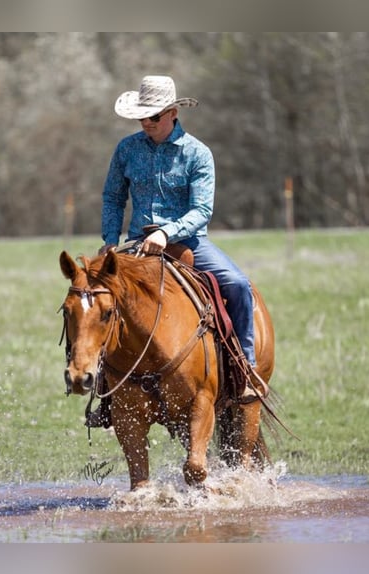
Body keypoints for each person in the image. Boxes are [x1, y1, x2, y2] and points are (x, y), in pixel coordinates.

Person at [87, 75, 263, 428]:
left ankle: (245, 369)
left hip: (190, 242)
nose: (145, 123)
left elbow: (202, 210)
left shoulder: (197, 153)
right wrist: (109, 238)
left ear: (171, 113)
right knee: (97, 299)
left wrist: (168, 233)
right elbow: (112, 197)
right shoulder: (126, 150)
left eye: (152, 117)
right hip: (136, 243)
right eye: (142, 117)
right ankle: (105, 390)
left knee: (237, 285)